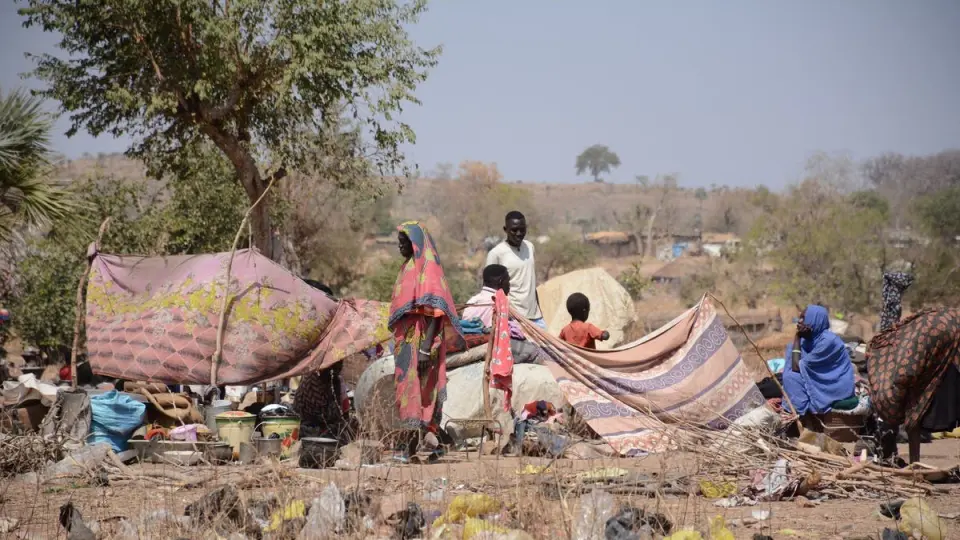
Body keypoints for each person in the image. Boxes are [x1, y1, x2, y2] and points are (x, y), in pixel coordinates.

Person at [389, 221, 463, 462]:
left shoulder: (428, 269)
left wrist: (423, 349)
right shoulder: (408, 266)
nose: (400, 247)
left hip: (421, 342)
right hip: (407, 343)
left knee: (420, 392)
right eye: (399, 243)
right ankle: (422, 447)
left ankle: (416, 447)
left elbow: (434, 312)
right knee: (409, 392)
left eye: (404, 243)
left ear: (416, 244)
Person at [868, 273, 960, 464]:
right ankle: (914, 464)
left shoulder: (900, 366)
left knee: (914, 416)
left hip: (937, 340)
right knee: (914, 416)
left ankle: (913, 463)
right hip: (935, 339)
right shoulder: (897, 356)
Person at [781, 305, 855, 428]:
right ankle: (799, 415)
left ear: (814, 320)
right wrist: (797, 340)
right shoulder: (806, 341)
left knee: (792, 376)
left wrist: (797, 337)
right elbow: (793, 368)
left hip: (833, 385)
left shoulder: (828, 341)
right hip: (816, 381)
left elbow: (796, 366)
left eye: (803, 318)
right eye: (800, 318)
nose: (799, 322)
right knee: (791, 377)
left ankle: (801, 419)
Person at [463, 264, 543, 364]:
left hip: (473, 344)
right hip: (495, 345)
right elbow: (514, 332)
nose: (509, 285)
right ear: (501, 282)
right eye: (508, 281)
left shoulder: (471, 302)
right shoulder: (500, 302)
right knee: (537, 352)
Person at [485, 211, 546, 329]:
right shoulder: (496, 254)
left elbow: (531, 282)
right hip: (513, 319)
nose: (519, 234)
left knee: (546, 347)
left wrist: (539, 311)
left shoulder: (530, 247)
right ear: (505, 229)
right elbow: (489, 290)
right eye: (514, 230)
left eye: (522, 230)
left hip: (536, 318)